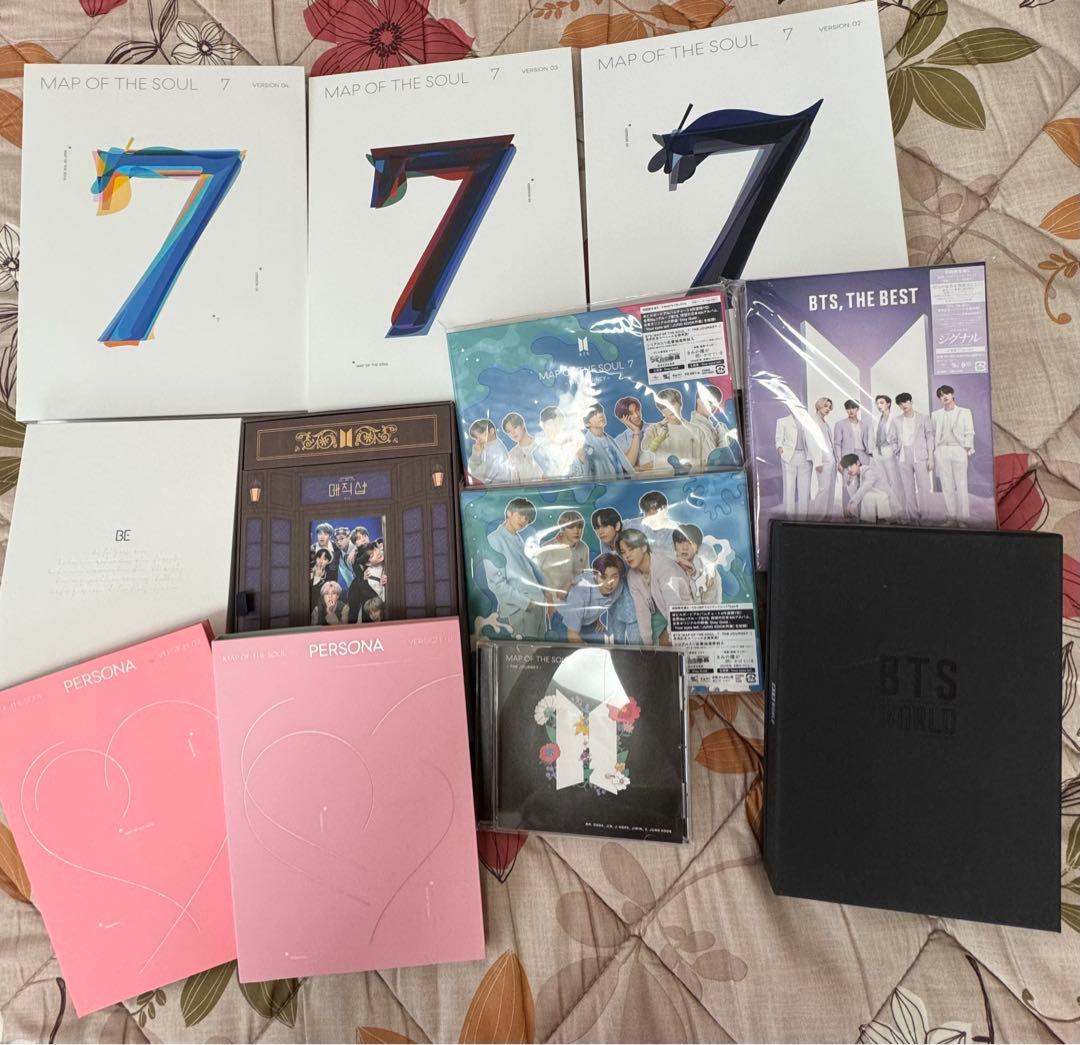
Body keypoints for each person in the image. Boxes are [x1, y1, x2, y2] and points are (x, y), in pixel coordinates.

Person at [481, 497, 548, 637]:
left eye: (527, 519)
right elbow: (496, 583)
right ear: (509, 513)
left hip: (537, 605)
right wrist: (526, 603)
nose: (524, 520)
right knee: (525, 649)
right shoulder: (494, 540)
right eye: (521, 515)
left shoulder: (517, 538)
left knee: (542, 648)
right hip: (520, 609)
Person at [616, 528, 691, 645]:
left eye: (631, 549)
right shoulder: (632, 576)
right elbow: (641, 610)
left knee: (666, 643)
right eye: (623, 552)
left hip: (685, 615)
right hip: (661, 613)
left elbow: (674, 606)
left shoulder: (664, 567)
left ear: (644, 547)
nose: (627, 555)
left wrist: (671, 638)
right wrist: (647, 644)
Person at [559, 553, 642, 644]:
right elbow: (572, 635)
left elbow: (600, 601)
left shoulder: (619, 587)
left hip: (586, 622)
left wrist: (595, 617)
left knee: (608, 641)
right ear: (595, 575)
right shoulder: (580, 593)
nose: (609, 583)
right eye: (603, 577)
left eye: (614, 577)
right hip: (563, 620)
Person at [932, 384, 975, 525]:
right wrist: (936, 451)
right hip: (942, 450)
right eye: (941, 395)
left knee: (961, 485)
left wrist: (965, 449)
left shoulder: (964, 412)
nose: (944, 396)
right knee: (946, 485)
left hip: (958, 449)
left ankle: (963, 519)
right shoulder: (936, 415)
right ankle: (950, 518)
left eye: (946, 393)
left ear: (952, 394)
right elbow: (933, 434)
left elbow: (970, 431)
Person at [646, 388, 710, 475]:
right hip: (663, 479)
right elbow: (645, 455)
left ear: (680, 404)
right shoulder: (654, 429)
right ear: (662, 412)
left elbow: (706, 461)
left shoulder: (696, 431)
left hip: (691, 478)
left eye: (672, 404)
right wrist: (657, 440)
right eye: (664, 406)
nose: (670, 408)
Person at [532, 510, 589, 602]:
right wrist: (552, 595)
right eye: (571, 527)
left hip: (578, 601)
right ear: (562, 529)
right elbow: (534, 578)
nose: (577, 531)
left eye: (579, 527)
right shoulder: (546, 549)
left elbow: (586, 575)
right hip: (551, 603)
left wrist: (571, 584)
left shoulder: (583, 547)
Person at [895, 392, 935, 522]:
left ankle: (925, 516)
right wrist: (896, 452)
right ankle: (913, 517)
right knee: (908, 488)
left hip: (920, 455)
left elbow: (930, 438)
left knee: (924, 487)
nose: (904, 405)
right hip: (903, 456)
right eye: (901, 404)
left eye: (906, 402)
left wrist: (930, 458)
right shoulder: (897, 420)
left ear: (911, 402)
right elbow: (893, 439)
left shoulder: (924, 418)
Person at [575, 404, 635, 479]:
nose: (600, 415)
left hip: (623, 483)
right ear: (587, 423)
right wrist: (582, 461)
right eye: (593, 414)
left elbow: (623, 465)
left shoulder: (609, 439)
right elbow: (584, 477)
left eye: (601, 411)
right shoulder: (585, 446)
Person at [833, 400, 873, 510]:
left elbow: (868, 442)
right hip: (848, 457)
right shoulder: (840, 424)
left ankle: (861, 512)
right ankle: (847, 512)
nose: (850, 411)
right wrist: (839, 461)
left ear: (857, 409)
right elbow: (837, 444)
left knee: (862, 484)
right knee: (847, 484)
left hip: (862, 456)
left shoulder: (864, 425)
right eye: (848, 408)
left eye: (853, 408)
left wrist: (870, 456)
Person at [871, 394, 906, 518]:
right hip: (878, 453)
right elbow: (874, 437)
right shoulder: (876, 419)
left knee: (895, 482)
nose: (879, 405)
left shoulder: (895, 419)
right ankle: (890, 512)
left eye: (881, 403)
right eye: (877, 403)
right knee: (884, 483)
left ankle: (900, 513)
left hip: (889, 451)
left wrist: (895, 451)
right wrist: (874, 452)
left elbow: (900, 438)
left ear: (888, 404)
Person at [840, 453, 900, 524]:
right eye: (847, 468)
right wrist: (849, 481)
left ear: (858, 463)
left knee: (865, 495)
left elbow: (865, 487)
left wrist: (853, 502)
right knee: (863, 496)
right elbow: (854, 493)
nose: (849, 470)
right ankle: (869, 521)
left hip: (886, 505)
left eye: (850, 466)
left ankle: (877, 521)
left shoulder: (868, 471)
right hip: (877, 503)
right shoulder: (856, 476)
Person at [775, 406, 812, 518]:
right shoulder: (782, 421)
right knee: (789, 488)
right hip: (789, 457)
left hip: (805, 457)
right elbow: (778, 440)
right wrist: (781, 451)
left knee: (804, 489)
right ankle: (789, 517)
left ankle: (803, 518)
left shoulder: (807, 421)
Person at [690, 385, 739, 465]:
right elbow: (715, 462)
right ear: (698, 401)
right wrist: (722, 436)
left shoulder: (707, 426)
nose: (713, 407)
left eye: (715, 404)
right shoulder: (699, 428)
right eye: (709, 402)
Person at [672, 524, 720, 604]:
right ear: (674, 546)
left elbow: (711, 605)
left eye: (690, 543)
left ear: (698, 547)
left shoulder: (708, 573)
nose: (685, 548)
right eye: (680, 542)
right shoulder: (667, 568)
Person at [807, 397, 837, 519]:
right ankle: (818, 518)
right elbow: (812, 442)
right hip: (823, 461)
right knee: (823, 490)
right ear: (819, 405)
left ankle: (827, 517)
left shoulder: (824, 422)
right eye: (825, 406)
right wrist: (818, 462)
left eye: (829, 407)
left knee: (830, 490)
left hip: (831, 461)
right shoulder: (813, 421)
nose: (828, 409)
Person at [501, 412, 549, 483]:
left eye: (515, 427)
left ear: (523, 425)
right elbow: (515, 483)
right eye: (509, 431)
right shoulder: (512, 454)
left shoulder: (541, 444)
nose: (513, 433)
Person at [612, 395, 654, 472]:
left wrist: (638, 468)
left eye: (637, 410)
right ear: (622, 418)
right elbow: (628, 467)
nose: (636, 415)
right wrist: (636, 432)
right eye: (631, 413)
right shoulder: (620, 441)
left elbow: (665, 460)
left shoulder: (656, 428)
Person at [467, 418, 512, 485]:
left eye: (481, 434)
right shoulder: (489, 446)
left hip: (496, 488)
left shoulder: (495, 451)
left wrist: (476, 453)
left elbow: (478, 476)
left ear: (491, 431)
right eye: (476, 437)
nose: (478, 440)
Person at [332, 526, 356, 591]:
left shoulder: (356, 545)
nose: (338, 542)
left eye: (341, 538)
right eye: (336, 540)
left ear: (349, 538)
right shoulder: (340, 556)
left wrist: (355, 549)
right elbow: (347, 576)